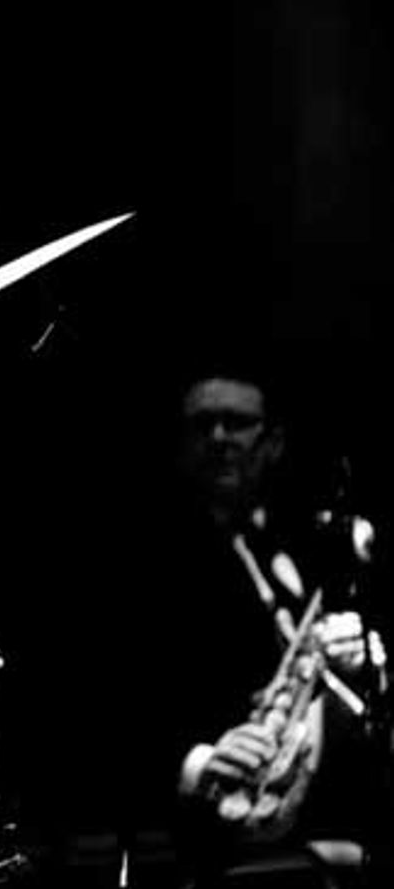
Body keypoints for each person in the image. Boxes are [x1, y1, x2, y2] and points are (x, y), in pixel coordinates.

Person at [136, 356, 391, 888]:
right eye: (203, 424)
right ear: (180, 443)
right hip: (205, 842)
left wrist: (366, 663)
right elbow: (105, 709)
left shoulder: (307, 542)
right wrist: (197, 762)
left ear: (273, 443)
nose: (219, 437)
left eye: (236, 422)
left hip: (324, 825)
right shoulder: (144, 563)